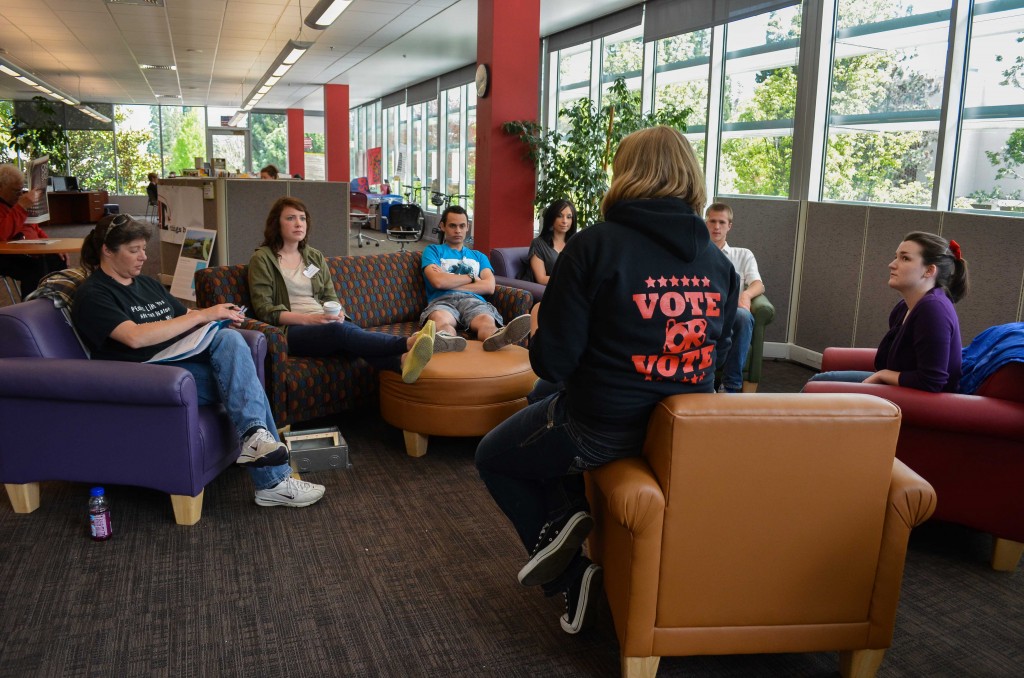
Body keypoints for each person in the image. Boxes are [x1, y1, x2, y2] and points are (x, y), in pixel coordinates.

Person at [475, 126, 739, 635]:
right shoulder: (718, 263)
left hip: (601, 429)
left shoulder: (594, 246)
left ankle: (571, 566)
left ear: (626, 173)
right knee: (546, 418)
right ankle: (568, 518)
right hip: (680, 433)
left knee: (495, 456)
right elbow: (720, 351)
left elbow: (553, 364)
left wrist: (537, 327)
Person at [71, 214, 325, 508]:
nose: (143, 256)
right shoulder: (94, 294)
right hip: (146, 376)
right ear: (106, 250)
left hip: (178, 361)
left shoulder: (146, 284)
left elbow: (185, 318)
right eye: (134, 250)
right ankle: (272, 480)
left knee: (231, 339)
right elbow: (134, 338)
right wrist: (204, 316)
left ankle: (257, 440)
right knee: (244, 381)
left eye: (143, 248)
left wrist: (215, 315)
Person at [248, 196, 465, 384]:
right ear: (277, 223)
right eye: (290, 218)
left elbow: (329, 296)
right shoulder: (263, 259)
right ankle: (410, 342)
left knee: (352, 338)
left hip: (324, 321)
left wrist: (337, 312)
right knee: (340, 332)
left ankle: (402, 362)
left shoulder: (313, 256)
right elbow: (266, 311)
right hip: (291, 330)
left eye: (302, 218)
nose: (298, 223)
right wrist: (312, 320)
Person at [808, 231, 969, 393]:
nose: (892, 264)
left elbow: (932, 382)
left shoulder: (933, 309)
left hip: (923, 400)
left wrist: (883, 375)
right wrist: (883, 374)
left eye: (905, 258)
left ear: (929, 271)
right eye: (896, 256)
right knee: (820, 382)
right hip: (904, 387)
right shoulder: (905, 306)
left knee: (817, 385)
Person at [421, 205, 531, 350]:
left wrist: (449, 279)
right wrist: (472, 277)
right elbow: (438, 282)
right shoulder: (433, 251)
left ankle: (496, 338)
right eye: (452, 226)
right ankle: (448, 342)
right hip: (442, 300)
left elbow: (489, 287)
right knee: (441, 321)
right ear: (442, 226)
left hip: (473, 300)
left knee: (486, 321)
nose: (458, 231)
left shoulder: (479, 256)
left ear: (468, 227)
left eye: (462, 226)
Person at [705, 202, 765, 393]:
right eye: (712, 221)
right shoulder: (695, 254)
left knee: (743, 316)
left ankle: (730, 385)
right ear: (705, 223)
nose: (716, 227)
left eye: (721, 222)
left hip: (730, 314)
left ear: (729, 225)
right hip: (703, 312)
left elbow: (758, 284)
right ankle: (702, 382)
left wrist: (746, 295)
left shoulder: (743, 255)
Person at [0, 163, 66, 297]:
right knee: (35, 268)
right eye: (15, 191)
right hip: (5, 255)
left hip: (25, 250)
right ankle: (32, 307)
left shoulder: (16, 205)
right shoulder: (11, 207)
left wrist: (52, 246)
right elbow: (2, 234)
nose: (19, 195)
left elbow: (34, 228)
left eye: (21, 190)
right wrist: (21, 208)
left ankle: (57, 300)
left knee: (58, 260)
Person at [521, 199, 577, 285]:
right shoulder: (538, 244)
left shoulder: (576, 243)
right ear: (551, 218)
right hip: (550, 292)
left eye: (569, 217)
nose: (564, 221)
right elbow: (541, 279)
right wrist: (571, 281)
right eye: (559, 216)